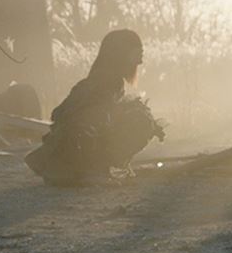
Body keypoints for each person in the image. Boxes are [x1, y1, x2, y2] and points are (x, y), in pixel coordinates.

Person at [24, 29, 164, 186]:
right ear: (123, 54)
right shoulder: (108, 82)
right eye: (138, 53)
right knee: (141, 121)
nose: (141, 62)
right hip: (77, 146)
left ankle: (82, 170)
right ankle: (93, 171)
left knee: (141, 116)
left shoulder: (101, 78)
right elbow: (89, 122)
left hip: (71, 146)